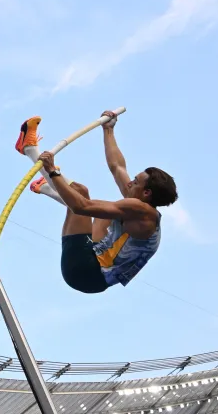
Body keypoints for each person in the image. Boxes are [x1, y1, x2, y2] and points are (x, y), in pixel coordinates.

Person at [14, 112, 178, 294]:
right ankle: (46, 187)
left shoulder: (143, 212)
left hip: (87, 272)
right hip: (94, 260)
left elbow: (81, 206)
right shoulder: (137, 199)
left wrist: (52, 170)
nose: (130, 182)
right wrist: (108, 130)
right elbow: (117, 167)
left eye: (136, 181)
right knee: (103, 211)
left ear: (147, 193)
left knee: (80, 193)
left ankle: (30, 149)